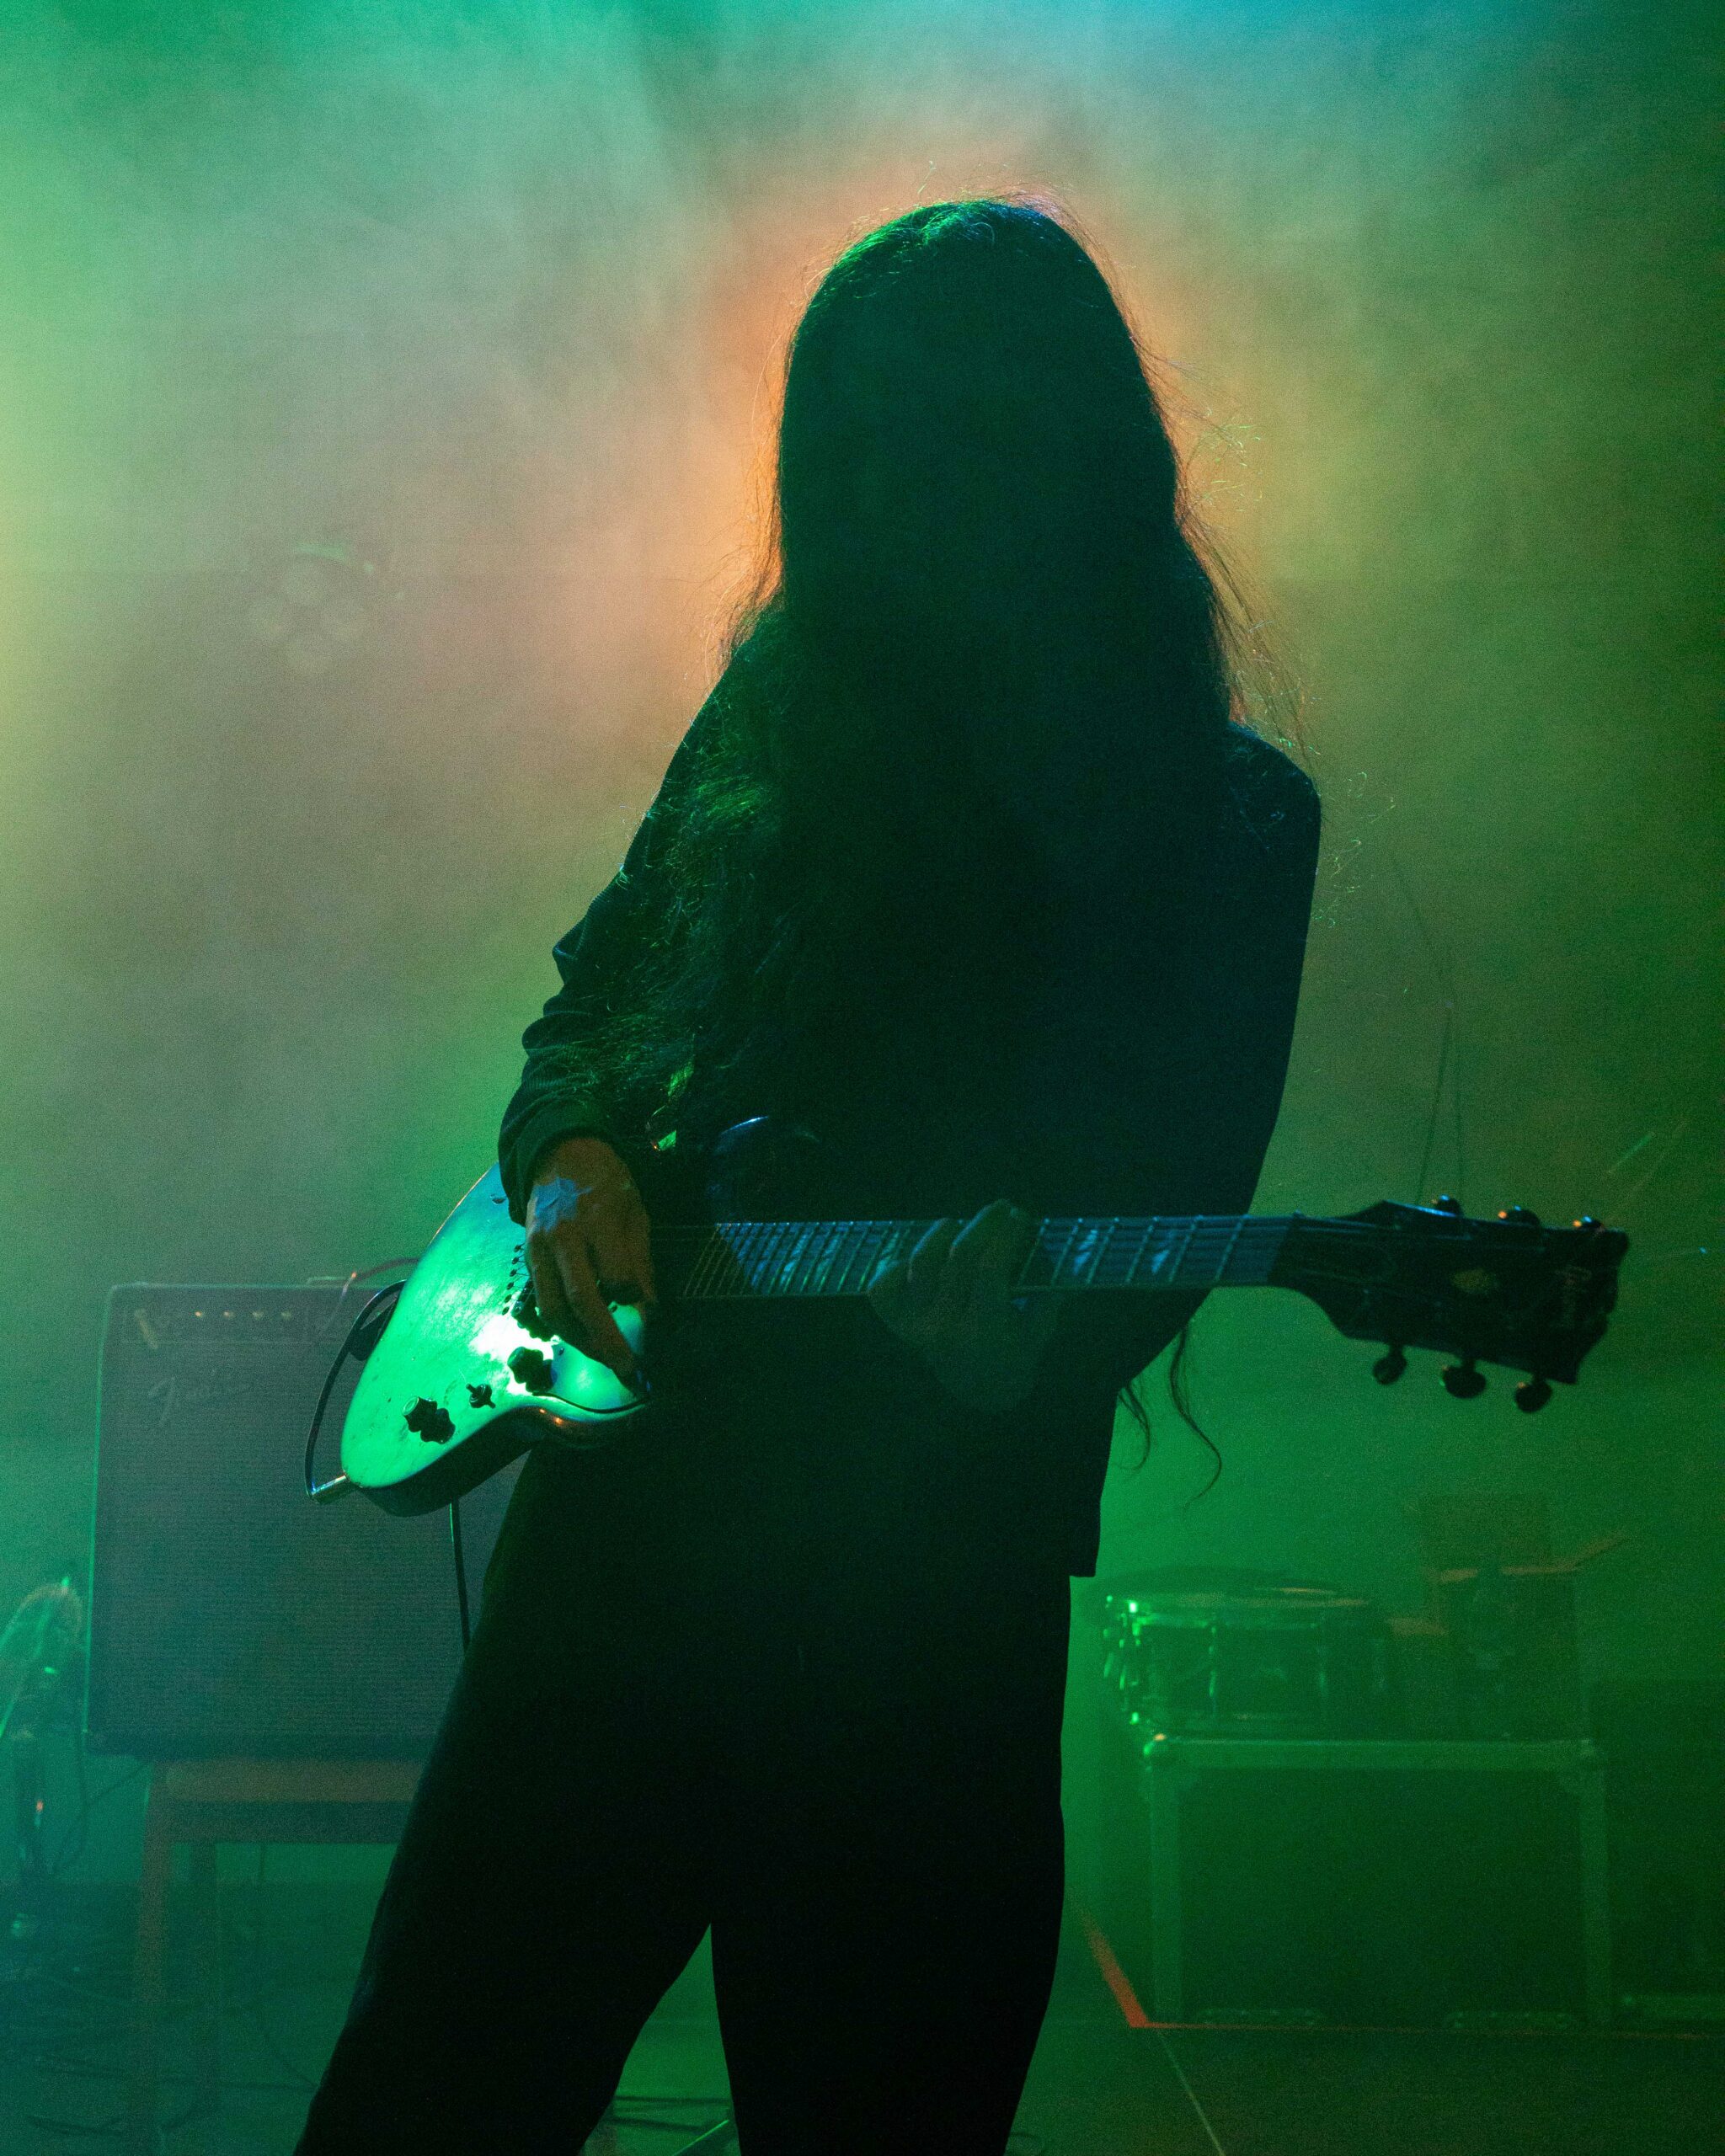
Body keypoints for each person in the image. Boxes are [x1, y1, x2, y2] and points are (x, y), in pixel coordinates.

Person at [298, 198, 1319, 2154]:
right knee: (430, 2089)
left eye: (932, 447)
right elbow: (599, 1000)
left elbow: (1169, 1202)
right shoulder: (782, 711)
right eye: (849, 457)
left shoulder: (1226, 819)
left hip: (925, 1601)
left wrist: (1009, 1352)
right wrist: (573, 1160)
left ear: (1056, 456)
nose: (887, 508)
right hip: (630, 1534)